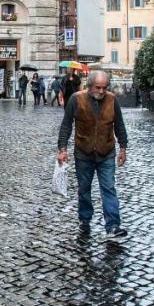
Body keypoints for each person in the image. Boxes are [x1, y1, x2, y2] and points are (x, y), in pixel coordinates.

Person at [57, 70, 129, 241]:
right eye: (98, 87)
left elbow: (119, 124)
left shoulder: (112, 100)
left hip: (106, 151)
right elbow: (66, 125)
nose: (102, 91)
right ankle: (85, 218)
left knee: (109, 188)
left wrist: (123, 148)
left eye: (104, 87)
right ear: (89, 86)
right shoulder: (76, 99)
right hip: (84, 151)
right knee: (84, 189)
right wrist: (62, 149)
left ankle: (113, 225)